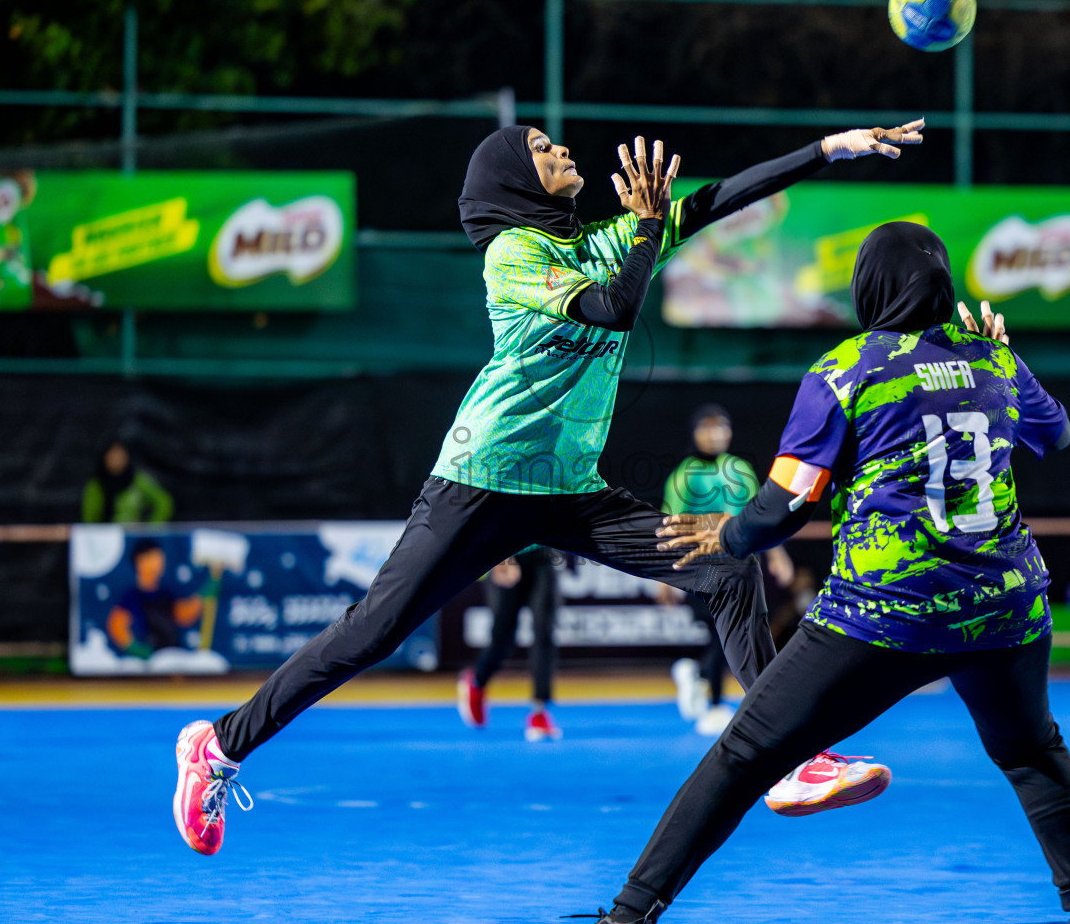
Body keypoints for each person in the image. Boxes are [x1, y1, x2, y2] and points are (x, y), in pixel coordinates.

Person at [170, 119, 927, 856]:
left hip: (569, 490)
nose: (560, 147)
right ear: (509, 179)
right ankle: (218, 745)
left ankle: (790, 758)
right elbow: (616, 306)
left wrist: (829, 149)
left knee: (729, 573)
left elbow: (718, 199)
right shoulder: (513, 253)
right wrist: (645, 229)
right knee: (371, 632)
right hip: (482, 483)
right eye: (539, 146)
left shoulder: (601, 241)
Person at [588, 223, 1070, 924]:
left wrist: (729, 532)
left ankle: (627, 914)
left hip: (885, 611)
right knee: (1031, 753)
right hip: (1005, 609)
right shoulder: (995, 363)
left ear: (871, 286)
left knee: (744, 752)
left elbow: (784, 510)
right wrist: (1008, 359)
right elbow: (1056, 435)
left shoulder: (846, 369)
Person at [660, 404, 794, 735]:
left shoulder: (739, 469)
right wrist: (665, 576)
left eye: (721, 427)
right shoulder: (684, 473)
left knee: (732, 632)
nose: (714, 433)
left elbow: (757, 516)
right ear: (694, 433)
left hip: (742, 562)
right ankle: (715, 702)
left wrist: (778, 555)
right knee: (722, 633)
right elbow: (672, 525)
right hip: (702, 565)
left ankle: (701, 679)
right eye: (706, 427)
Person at [457, 546, 563, 741]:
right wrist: (500, 558)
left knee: (544, 632)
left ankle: (539, 712)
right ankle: (478, 680)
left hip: (541, 556)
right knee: (503, 639)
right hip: (507, 552)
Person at [107, 540, 209, 658]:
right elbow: (116, 625)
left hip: (172, 655)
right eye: (152, 558)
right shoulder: (132, 596)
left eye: (160, 559)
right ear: (139, 561)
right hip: (151, 660)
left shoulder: (165, 593)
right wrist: (136, 648)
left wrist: (202, 596)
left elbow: (182, 614)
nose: (158, 563)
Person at [83, 441, 173, 525]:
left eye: (120, 457)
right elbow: (89, 518)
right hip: (106, 537)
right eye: (112, 458)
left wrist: (149, 528)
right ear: (104, 459)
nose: (116, 461)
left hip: (132, 537)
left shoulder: (137, 480)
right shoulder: (96, 485)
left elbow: (164, 502)